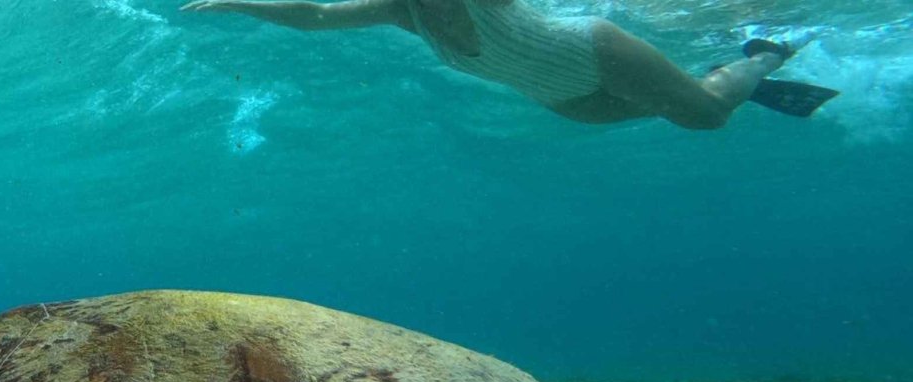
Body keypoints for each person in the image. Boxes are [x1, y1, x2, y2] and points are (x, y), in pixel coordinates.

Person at [182, 0, 837, 129]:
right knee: (675, 106)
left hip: (594, 51)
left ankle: (763, 53)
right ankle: (715, 83)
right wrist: (241, 2)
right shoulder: (400, 11)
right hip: (569, 100)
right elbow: (317, 15)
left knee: (705, 117)